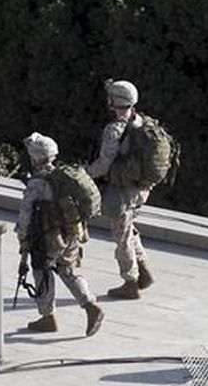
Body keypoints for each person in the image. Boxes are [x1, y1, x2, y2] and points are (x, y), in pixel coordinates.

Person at [16, 132, 105, 336]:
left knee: (42, 272)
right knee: (69, 270)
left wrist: (23, 238)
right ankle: (91, 306)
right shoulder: (65, 177)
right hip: (72, 233)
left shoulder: (37, 184)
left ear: (35, 158)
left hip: (48, 237)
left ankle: (48, 317)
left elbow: (25, 215)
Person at [85, 79, 153, 300]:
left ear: (115, 101)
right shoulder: (141, 122)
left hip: (123, 191)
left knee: (121, 235)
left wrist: (85, 173)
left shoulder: (114, 130)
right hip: (141, 188)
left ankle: (130, 281)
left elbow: (104, 164)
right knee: (128, 227)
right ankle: (143, 270)